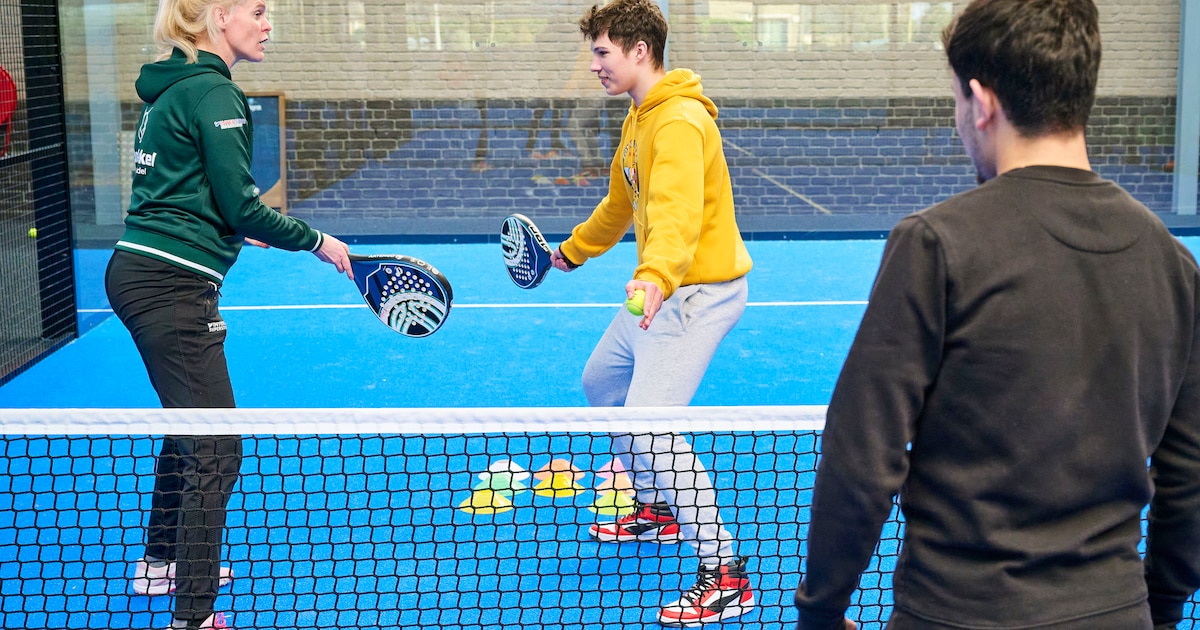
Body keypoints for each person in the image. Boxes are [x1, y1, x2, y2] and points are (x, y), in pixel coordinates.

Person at [794, 0, 1200, 628]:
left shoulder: (935, 243)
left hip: (955, 614)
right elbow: (1190, 476)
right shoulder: (1174, 265)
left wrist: (821, 612)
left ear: (981, 102)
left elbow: (861, 455)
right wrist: (1160, 610)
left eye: (957, 102)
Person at [105, 1, 353, 628]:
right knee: (218, 450)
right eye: (258, 11)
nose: (268, 24)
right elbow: (241, 204)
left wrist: (239, 226)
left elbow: (188, 191)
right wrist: (317, 240)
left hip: (144, 272)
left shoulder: (176, 88)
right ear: (219, 16)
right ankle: (194, 615)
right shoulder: (216, 92)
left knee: (190, 422)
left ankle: (163, 559)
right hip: (170, 285)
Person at [548, 0, 755, 625]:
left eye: (603, 52)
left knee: (650, 424)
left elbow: (677, 214)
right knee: (601, 383)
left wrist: (656, 276)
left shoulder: (682, 122)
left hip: (695, 295)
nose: (593, 66)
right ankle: (659, 508)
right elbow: (620, 201)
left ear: (641, 52)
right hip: (662, 292)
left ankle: (725, 572)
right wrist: (570, 253)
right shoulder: (640, 118)